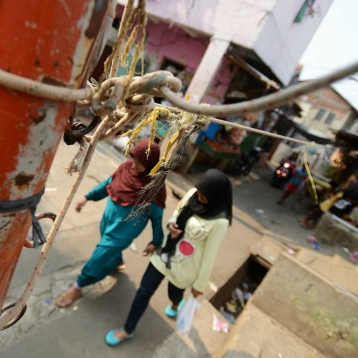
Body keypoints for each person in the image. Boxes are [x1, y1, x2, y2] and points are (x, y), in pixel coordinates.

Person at [105, 169, 232, 346]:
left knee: (174, 294)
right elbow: (177, 212)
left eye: (204, 196)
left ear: (216, 196)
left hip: (185, 268)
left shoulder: (220, 222)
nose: (200, 197)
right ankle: (128, 330)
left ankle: (175, 304)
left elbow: (210, 255)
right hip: (165, 253)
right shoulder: (193, 194)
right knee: (143, 291)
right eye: (200, 192)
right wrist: (172, 224)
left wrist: (199, 285)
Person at [55, 140, 166, 308]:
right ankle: (117, 262)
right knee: (107, 251)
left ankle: (78, 286)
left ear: (150, 165)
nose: (134, 166)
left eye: (140, 164)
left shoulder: (154, 187)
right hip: (108, 221)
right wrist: (88, 197)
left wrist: (156, 241)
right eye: (134, 160)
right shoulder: (126, 167)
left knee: (98, 256)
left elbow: (157, 218)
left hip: (124, 231)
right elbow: (108, 184)